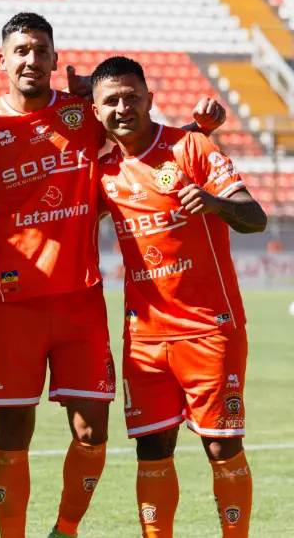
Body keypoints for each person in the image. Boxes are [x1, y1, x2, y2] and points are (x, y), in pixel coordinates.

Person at [0, 12, 227, 538]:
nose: (31, 59)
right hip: (14, 305)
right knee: (12, 431)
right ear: (2, 60)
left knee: (91, 433)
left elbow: (146, 144)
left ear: (57, 59)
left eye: (40, 50)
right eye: (21, 50)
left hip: (81, 302)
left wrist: (201, 131)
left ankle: (65, 528)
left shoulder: (84, 114)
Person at [92, 56, 265, 537]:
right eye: (111, 100)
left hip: (210, 328)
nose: (123, 107)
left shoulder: (192, 147)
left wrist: (214, 203)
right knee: (151, 447)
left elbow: (256, 217)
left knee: (221, 446)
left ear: (150, 99)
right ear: (96, 111)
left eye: (132, 96)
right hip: (144, 337)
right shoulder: (104, 172)